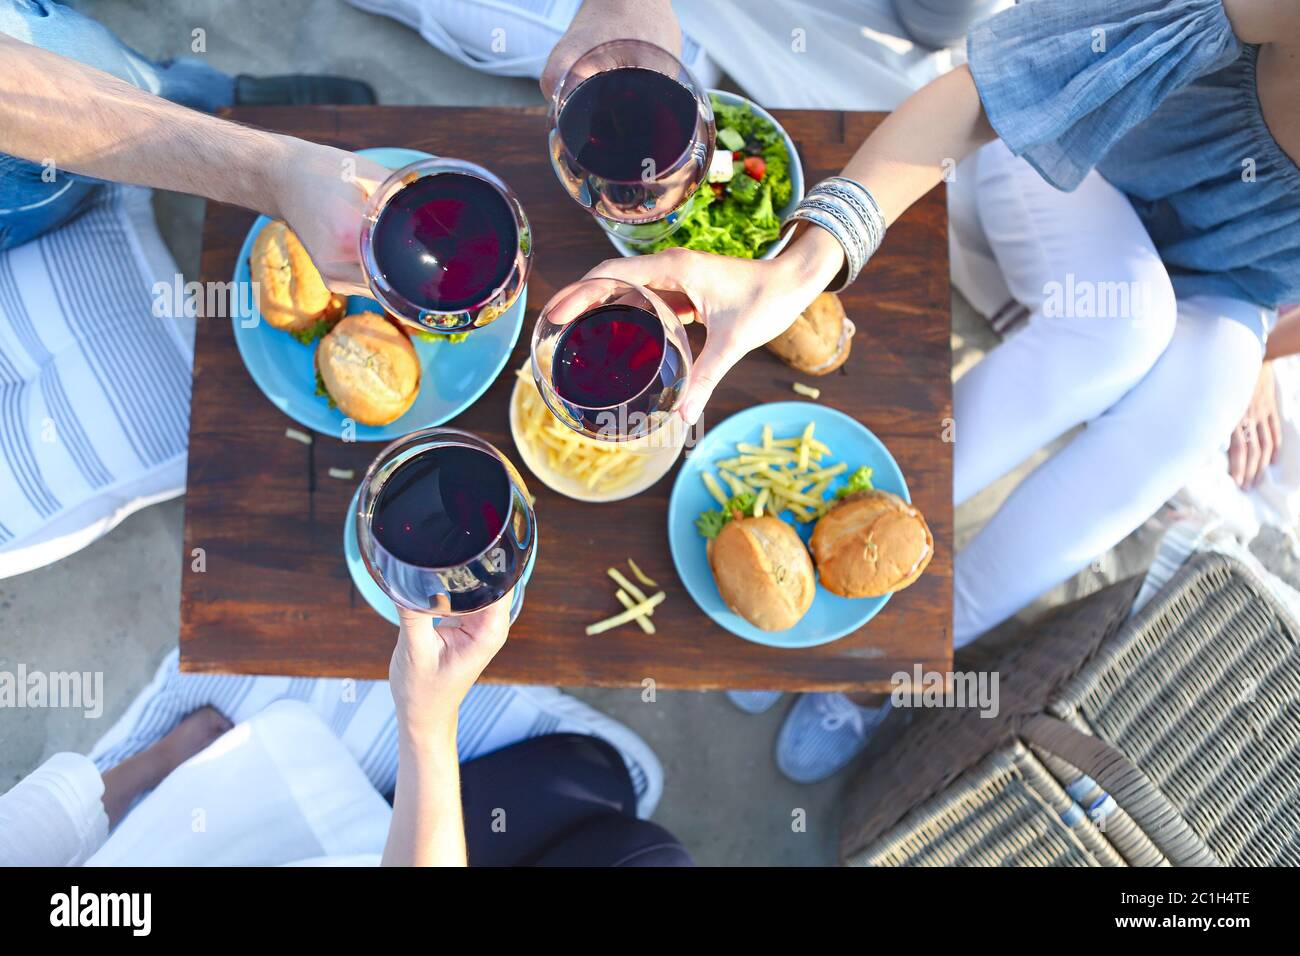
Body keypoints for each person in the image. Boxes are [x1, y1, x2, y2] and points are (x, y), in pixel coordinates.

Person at [547, 0, 1300, 781]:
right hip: (1073, 137)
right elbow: (987, 95)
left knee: (1194, 417)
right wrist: (797, 270)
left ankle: (900, 647)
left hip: (1234, 277)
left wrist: (1264, 358)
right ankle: (817, 554)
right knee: (1126, 329)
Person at [0, 599, 691, 866]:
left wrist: (160, 759)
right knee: (634, 834)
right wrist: (426, 721)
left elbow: (32, 834)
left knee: (600, 783)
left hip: (272, 834)